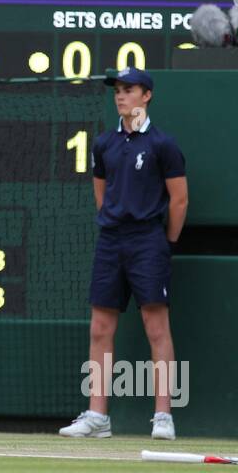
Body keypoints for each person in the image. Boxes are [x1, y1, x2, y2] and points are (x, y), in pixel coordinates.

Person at [59, 67, 187, 441]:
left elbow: (179, 199)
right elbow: (101, 192)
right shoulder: (104, 144)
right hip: (111, 241)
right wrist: (111, 221)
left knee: (156, 328)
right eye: (117, 90)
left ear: (146, 96)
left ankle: (163, 415)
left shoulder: (163, 144)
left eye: (128, 89)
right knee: (100, 328)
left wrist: (167, 243)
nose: (120, 96)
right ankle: (98, 416)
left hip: (149, 240)